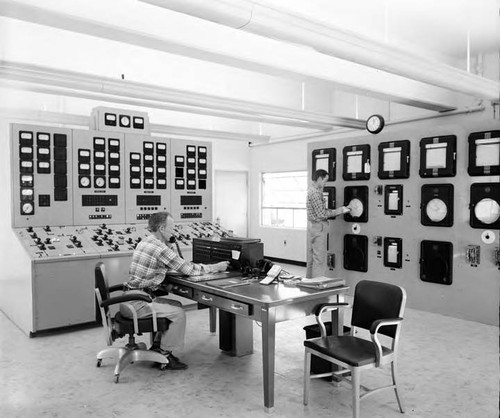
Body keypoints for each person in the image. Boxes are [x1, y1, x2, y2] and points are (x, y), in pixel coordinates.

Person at [121, 211, 229, 370]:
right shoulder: (159, 248)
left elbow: (158, 268)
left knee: (175, 304)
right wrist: (216, 267)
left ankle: (158, 346)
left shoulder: (145, 242)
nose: (174, 231)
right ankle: (165, 356)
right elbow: (188, 269)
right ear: (162, 228)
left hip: (130, 297)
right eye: (171, 228)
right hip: (138, 303)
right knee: (178, 313)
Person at [306, 169, 351, 278]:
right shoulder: (316, 193)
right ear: (320, 179)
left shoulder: (310, 190)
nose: (325, 184)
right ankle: (318, 287)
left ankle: (308, 285)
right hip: (319, 227)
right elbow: (321, 214)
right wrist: (340, 210)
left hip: (312, 226)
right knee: (319, 260)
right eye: (325, 181)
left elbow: (320, 210)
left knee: (311, 259)